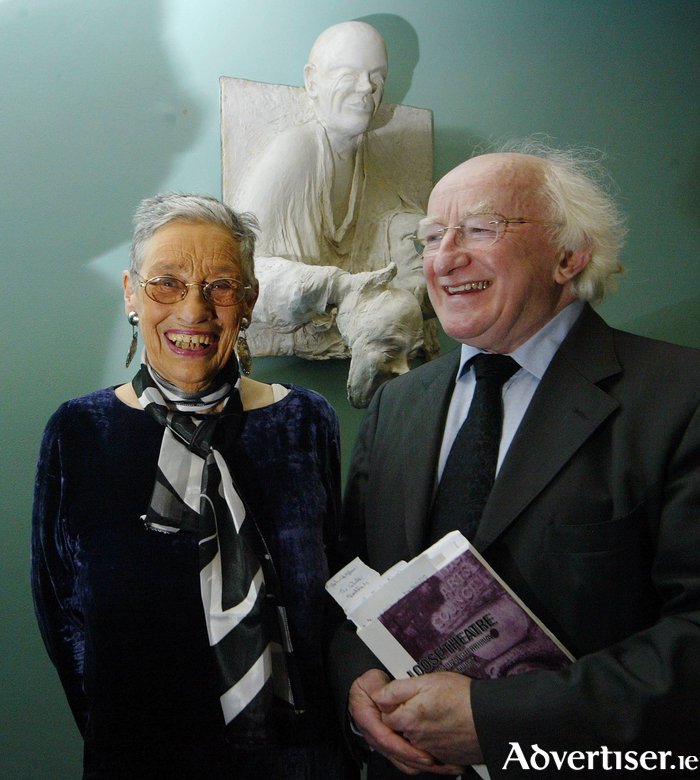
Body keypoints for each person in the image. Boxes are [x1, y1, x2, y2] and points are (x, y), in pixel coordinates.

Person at [329, 143, 700, 778]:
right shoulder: (397, 404)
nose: (445, 259)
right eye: (432, 237)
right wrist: (355, 681)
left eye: (479, 228)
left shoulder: (680, 396)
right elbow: (349, 583)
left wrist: (500, 722)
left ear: (569, 253)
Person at [32, 193, 354, 779]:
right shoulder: (78, 432)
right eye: (167, 283)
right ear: (131, 293)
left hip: (300, 758)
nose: (194, 310)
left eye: (221, 286)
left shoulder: (306, 421)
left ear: (249, 301)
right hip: (141, 758)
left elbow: (337, 598)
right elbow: (62, 617)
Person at [232, 21, 437, 407]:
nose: (367, 89)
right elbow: (240, 271)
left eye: (377, 77)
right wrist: (337, 287)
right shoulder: (292, 153)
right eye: (350, 75)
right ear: (312, 82)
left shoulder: (374, 164)